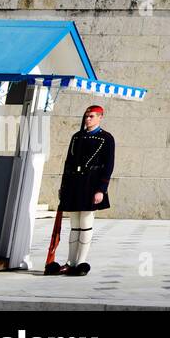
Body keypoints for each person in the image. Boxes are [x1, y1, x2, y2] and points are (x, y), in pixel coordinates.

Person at [50, 104, 115, 276]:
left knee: (86, 224)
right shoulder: (77, 137)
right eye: (86, 116)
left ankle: (81, 261)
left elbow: (108, 165)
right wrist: (63, 187)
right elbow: (68, 163)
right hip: (74, 184)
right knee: (74, 225)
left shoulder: (106, 138)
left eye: (92, 116)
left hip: (91, 184)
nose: (88, 119)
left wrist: (101, 189)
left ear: (100, 117)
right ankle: (70, 261)